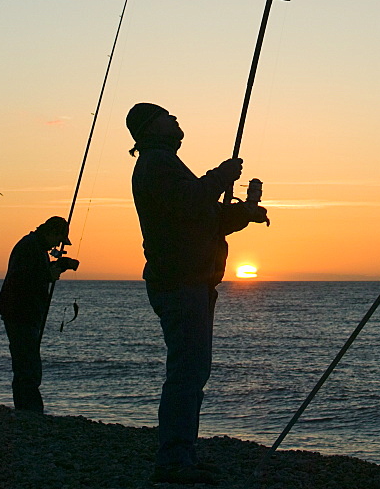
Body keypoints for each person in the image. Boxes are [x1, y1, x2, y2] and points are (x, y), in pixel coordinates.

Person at [127, 103, 268, 486]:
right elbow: (192, 201)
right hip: (181, 284)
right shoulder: (156, 165)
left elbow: (204, 218)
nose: (174, 118)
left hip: (193, 282)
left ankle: (181, 457)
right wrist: (222, 176)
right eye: (164, 115)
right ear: (147, 128)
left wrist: (244, 214)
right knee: (187, 374)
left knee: (192, 372)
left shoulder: (167, 164)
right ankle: (173, 461)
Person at [0, 215, 79, 413]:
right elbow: (23, 278)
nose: (56, 246)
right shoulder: (29, 247)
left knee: (25, 362)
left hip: (24, 312)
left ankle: (25, 409)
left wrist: (60, 265)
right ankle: (30, 411)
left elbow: (34, 271)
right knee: (28, 365)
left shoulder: (34, 247)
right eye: (58, 240)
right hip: (20, 313)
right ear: (51, 233)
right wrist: (48, 275)